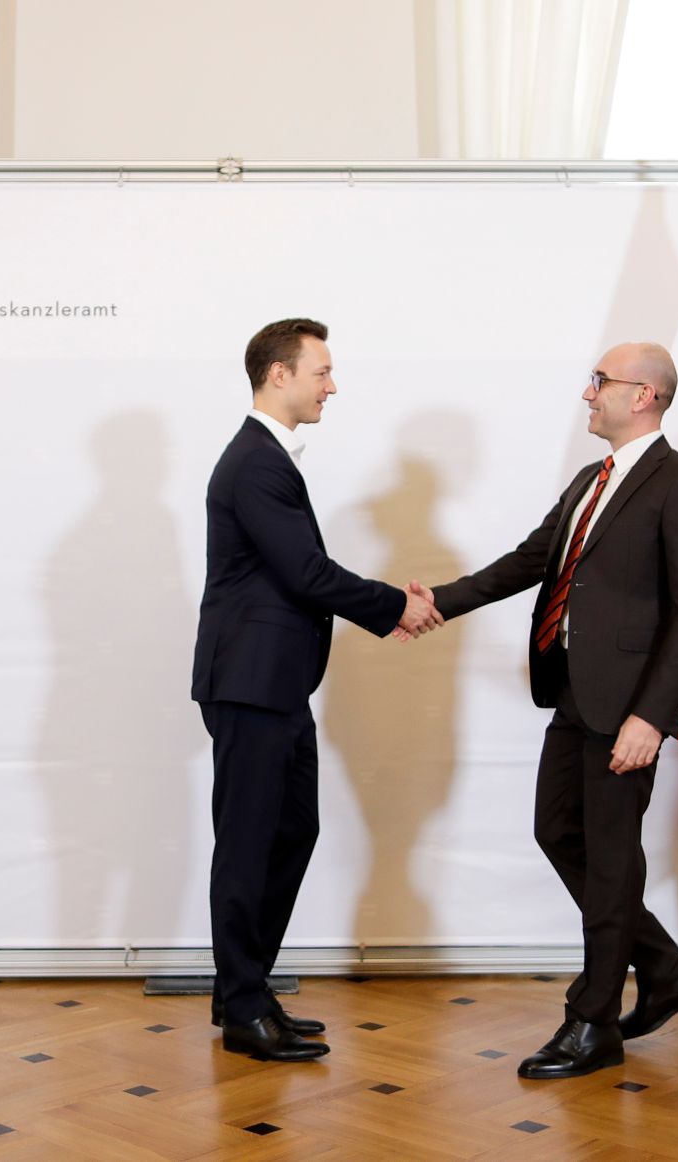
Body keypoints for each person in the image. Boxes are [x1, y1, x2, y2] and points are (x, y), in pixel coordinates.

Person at [430, 341, 678, 1079]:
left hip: (627, 709)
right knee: (558, 829)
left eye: (601, 382)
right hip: (572, 693)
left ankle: (592, 1022)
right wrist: (436, 602)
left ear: (645, 396)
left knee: (613, 857)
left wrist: (653, 717)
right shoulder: (592, 481)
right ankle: (665, 970)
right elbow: (533, 561)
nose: (588, 394)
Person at [192, 317, 442, 1062]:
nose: (332, 385)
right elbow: (305, 573)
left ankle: (248, 990)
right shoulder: (255, 463)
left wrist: (387, 607)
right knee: (247, 844)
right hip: (250, 684)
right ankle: (243, 1006)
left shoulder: (267, 460)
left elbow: (296, 575)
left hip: (275, 684)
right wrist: (395, 605)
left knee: (291, 831)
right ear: (279, 375)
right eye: (321, 371)